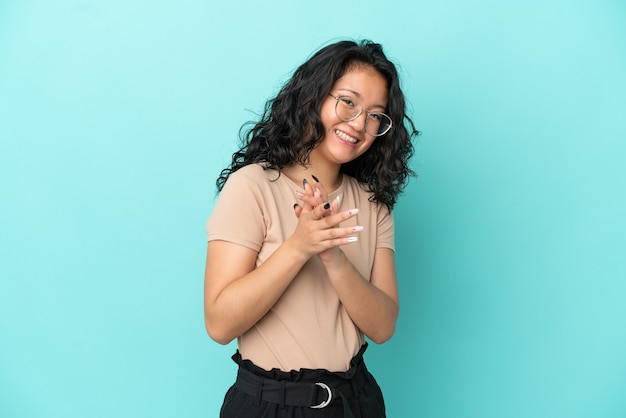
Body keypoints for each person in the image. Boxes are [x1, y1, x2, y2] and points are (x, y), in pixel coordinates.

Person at [204, 39, 418, 418]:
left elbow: (383, 327)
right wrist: (299, 246)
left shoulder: (373, 205)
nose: (359, 124)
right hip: (267, 404)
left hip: (355, 401)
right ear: (313, 97)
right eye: (348, 102)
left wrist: (333, 258)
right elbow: (220, 324)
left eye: (375, 115)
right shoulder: (252, 186)